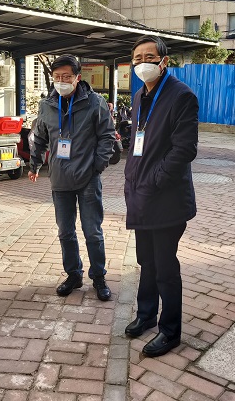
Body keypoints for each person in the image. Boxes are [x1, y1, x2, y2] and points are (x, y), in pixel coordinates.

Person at [123, 35, 199, 358]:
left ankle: (170, 331)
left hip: (166, 198)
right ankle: (146, 315)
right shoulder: (139, 95)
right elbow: (137, 143)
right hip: (141, 195)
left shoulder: (181, 96)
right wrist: (132, 178)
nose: (143, 63)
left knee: (165, 267)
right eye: (137, 58)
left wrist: (155, 180)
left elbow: (185, 149)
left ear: (164, 61)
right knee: (146, 260)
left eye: (149, 57)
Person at [29, 54, 116, 300]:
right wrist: (35, 164)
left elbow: (107, 136)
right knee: (65, 232)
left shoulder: (95, 103)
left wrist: (97, 166)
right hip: (60, 178)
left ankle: (98, 277)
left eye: (67, 76)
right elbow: (39, 137)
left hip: (88, 178)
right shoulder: (47, 105)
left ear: (77, 78)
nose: (62, 81)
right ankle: (73, 275)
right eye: (57, 77)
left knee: (92, 231)